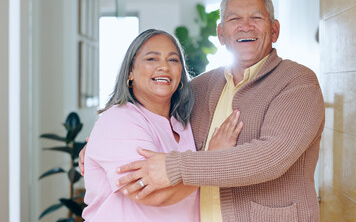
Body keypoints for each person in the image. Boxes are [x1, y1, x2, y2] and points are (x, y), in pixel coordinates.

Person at [81, 0, 324, 221]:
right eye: (234, 19)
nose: (245, 26)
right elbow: (133, 126)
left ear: (274, 30)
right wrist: (93, 151)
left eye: (256, 17)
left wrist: (176, 167)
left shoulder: (297, 82)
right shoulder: (200, 88)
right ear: (220, 34)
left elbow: (271, 157)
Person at [81, 29, 242, 221]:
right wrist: (212, 160)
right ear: (130, 71)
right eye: (152, 59)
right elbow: (151, 193)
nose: (164, 67)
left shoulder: (183, 124)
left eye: (173, 60)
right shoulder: (119, 120)